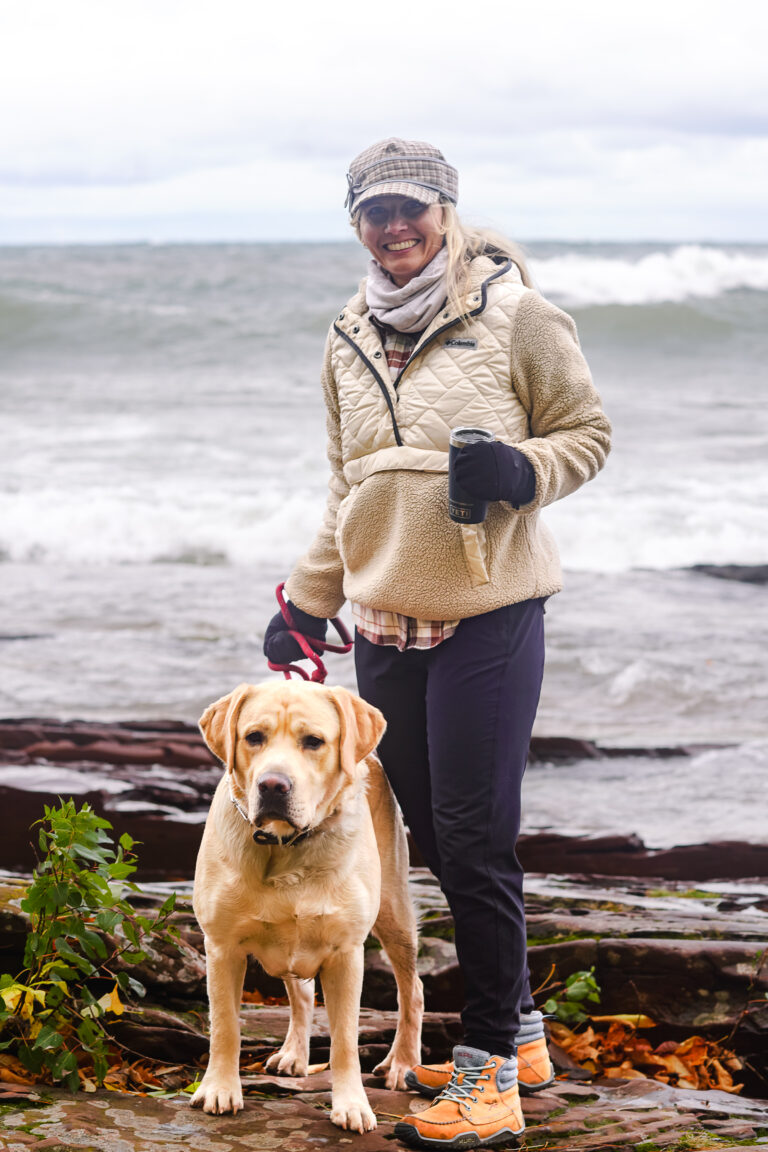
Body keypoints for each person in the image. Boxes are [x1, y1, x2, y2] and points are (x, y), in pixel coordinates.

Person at [263, 137, 611, 1149]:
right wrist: (305, 598)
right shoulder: (345, 336)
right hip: (380, 629)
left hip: (487, 618)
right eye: (374, 212)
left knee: (473, 837)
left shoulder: (518, 317)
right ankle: (528, 1034)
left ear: (447, 212)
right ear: (356, 224)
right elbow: (349, 485)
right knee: (414, 834)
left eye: (411, 208)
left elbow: (587, 434)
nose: (394, 227)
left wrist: (520, 470)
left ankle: (490, 1077)